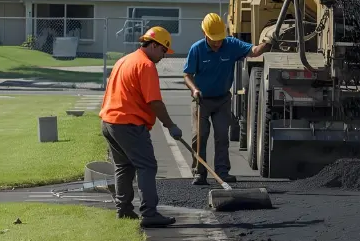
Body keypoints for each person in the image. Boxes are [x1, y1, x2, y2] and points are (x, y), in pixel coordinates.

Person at [99, 26, 183, 228]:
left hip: (109, 122)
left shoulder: (124, 60)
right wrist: (170, 125)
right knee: (147, 166)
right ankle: (150, 213)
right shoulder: (146, 66)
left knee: (124, 167)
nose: (163, 56)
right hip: (128, 123)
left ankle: (124, 210)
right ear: (154, 45)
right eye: (163, 51)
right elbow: (154, 101)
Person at [183, 13, 273, 185]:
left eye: (220, 39)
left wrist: (268, 42)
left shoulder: (231, 45)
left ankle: (222, 172)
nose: (217, 43)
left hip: (222, 100)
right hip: (201, 100)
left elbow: (254, 51)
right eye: (213, 39)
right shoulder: (197, 49)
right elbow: (187, 75)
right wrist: (194, 90)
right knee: (199, 136)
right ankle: (199, 172)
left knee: (222, 136)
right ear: (205, 34)